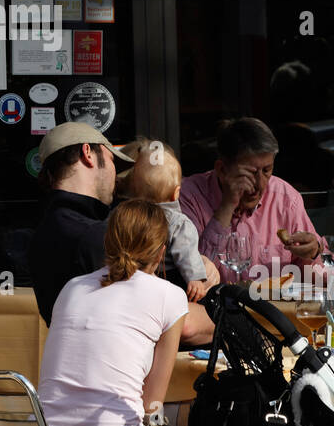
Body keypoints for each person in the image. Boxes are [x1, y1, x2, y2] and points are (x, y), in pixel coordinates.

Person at [29, 199, 187, 426]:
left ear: (107, 242)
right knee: (180, 421)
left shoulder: (71, 288)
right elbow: (152, 405)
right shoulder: (171, 296)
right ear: (161, 253)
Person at [28, 123, 212, 344]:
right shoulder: (96, 234)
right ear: (88, 154)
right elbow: (176, 323)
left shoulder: (45, 232)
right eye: (113, 162)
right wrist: (228, 317)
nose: (117, 178)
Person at [179, 117, 324, 277]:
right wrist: (227, 206)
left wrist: (314, 253)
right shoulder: (189, 197)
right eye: (250, 173)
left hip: (272, 301)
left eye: (267, 170)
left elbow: (324, 277)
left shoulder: (285, 199)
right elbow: (194, 275)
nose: (260, 184)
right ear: (222, 170)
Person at [122, 139, 219, 302]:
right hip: (174, 281)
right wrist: (195, 278)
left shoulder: (128, 217)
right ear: (176, 193)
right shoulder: (179, 223)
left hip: (140, 282)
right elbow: (186, 251)